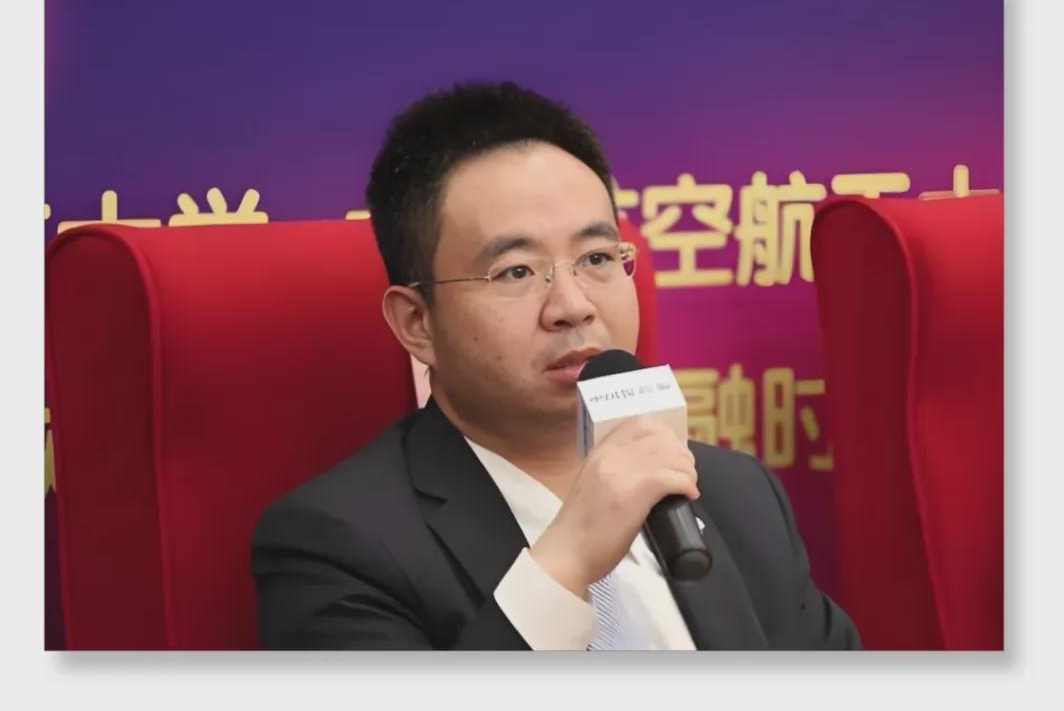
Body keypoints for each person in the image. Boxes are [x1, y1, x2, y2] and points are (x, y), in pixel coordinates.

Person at [251, 81, 861, 650]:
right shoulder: (339, 544)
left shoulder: (735, 494)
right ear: (417, 322)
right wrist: (568, 562)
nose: (573, 306)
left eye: (597, 258)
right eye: (516, 271)